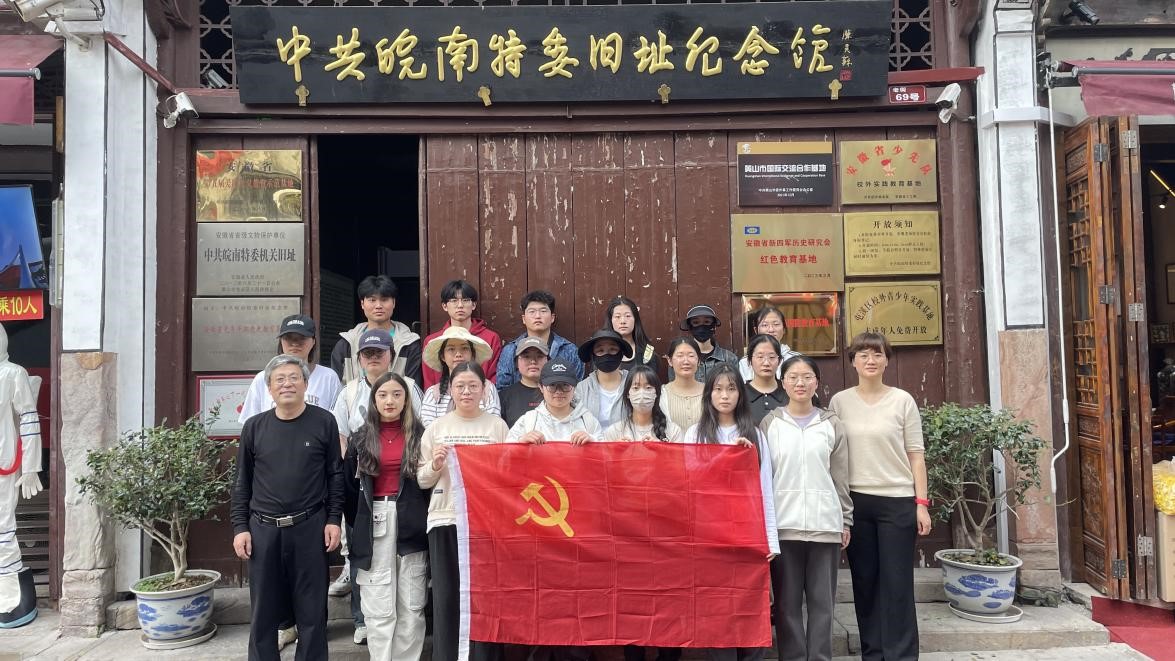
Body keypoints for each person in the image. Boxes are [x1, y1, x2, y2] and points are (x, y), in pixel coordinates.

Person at [231, 354, 344, 661]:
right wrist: (240, 527)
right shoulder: (254, 427)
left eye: (294, 377)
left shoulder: (324, 422)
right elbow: (242, 481)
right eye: (279, 379)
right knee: (263, 613)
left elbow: (335, 475)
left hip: (310, 527)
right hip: (263, 530)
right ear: (269, 388)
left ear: (306, 384)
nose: (287, 384)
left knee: (312, 612)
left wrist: (334, 519)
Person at [828, 332, 930, 661]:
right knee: (865, 582)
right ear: (853, 362)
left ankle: (901, 655)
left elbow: (916, 455)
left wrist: (921, 504)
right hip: (856, 502)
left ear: (887, 360)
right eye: (863, 355)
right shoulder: (839, 402)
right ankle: (872, 653)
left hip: (897, 501)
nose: (870, 360)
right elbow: (833, 455)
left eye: (877, 354)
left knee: (897, 584)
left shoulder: (902, 400)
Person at [327, 328, 423, 641]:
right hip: (364, 485)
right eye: (367, 354)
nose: (373, 358)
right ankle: (361, 621)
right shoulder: (349, 391)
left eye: (379, 353)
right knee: (364, 560)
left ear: (390, 356)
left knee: (407, 572)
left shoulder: (409, 386)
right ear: (359, 359)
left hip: (404, 492)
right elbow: (341, 436)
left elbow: (419, 431)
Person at [681, 364, 778, 661]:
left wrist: (770, 539)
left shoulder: (755, 435)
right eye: (718, 389)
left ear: (741, 394)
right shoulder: (695, 433)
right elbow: (689, 484)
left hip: (748, 533)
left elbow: (765, 489)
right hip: (709, 535)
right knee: (717, 609)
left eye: (732, 389)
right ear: (708, 394)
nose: (725, 396)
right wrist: (727, 458)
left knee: (750, 605)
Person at [416, 362, 510, 661]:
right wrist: (435, 465)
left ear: (485, 389)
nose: (466, 391)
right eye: (460, 386)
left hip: (486, 523)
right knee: (447, 596)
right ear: (451, 390)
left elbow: (509, 475)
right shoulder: (437, 428)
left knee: (485, 597)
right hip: (446, 519)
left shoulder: (497, 427)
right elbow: (421, 480)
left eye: (473, 386)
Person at [760, 356, 851, 661]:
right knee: (787, 605)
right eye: (793, 377)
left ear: (817, 383)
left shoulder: (831, 424)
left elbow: (840, 476)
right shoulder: (770, 423)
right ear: (783, 383)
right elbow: (763, 477)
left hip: (825, 524)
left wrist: (845, 519)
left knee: (822, 604)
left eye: (807, 377)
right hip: (783, 527)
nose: (800, 383)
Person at [343, 372, 430, 661]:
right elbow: (348, 489)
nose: (389, 400)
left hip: (411, 519)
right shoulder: (360, 438)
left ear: (406, 400)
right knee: (378, 603)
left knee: (411, 603)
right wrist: (359, 523)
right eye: (382, 395)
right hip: (374, 518)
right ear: (374, 400)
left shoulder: (420, 435)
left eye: (396, 394)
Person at [239, 314, 342, 424]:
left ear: (313, 341)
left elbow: (337, 423)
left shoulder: (328, 377)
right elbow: (250, 423)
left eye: (301, 338)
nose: (294, 343)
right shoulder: (262, 378)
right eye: (288, 338)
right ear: (281, 341)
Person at [332, 275, 423, 385]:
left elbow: (414, 387)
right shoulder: (346, 344)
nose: (378, 305)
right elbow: (335, 385)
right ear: (362, 304)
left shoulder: (409, 344)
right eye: (372, 300)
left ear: (393, 303)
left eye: (384, 300)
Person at [421, 279, 504, 388]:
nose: (460, 305)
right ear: (444, 306)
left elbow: (493, 378)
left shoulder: (490, 338)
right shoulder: (433, 340)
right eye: (454, 300)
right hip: (441, 396)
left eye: (465, 300)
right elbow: (429, 381)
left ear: (473, 305)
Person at [496, 290, 582, 390]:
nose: (537, 316)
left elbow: (577, 389)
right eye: (532, 311)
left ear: (552, 318)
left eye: (543, 311)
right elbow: (503, 390)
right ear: (524, 319)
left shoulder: (569, 350)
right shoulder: (511, 350)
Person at [420, 326, 501, 426]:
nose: (458, 354)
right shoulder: (433, 394)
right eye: (451, 349)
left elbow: (493, 426)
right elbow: (430, 430)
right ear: (442, 356)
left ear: (472, 354)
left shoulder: (487, 389)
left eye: (464, 348)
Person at [507, 358, 601, 445]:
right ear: (541, 387)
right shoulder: (528, 421)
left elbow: (605, 452)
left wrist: (593, 441)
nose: (559, 391)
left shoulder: (588, 421)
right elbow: (507, 452)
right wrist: (520, 442)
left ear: (574, 387)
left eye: (565, 385)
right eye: (552, 385)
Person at [601, 365, 682, 444]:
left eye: (648, 388)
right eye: (636, 388)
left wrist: (661, 449)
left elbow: (678, 453)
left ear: (657, 393)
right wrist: (614, 450)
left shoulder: (673, 431)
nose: (642, 393)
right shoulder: (613, 432)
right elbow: (602, 453)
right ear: (628, 394)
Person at [574, 328, 632, 430]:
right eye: (600, 351)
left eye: (613, 350)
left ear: (621, 353)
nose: (606, 355)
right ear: (593, 355)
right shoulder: (582, 389)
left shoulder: (633, 384)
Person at [669, 305, 737, 383]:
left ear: (714, 326)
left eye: (707, 322)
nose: (701, 327)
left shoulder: (730, 358)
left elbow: (735, 386)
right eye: (696, 322)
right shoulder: (678, 359)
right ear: (689, 327)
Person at [738, 306, 802, 382]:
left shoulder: (796, 359)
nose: (771, 330)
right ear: (756, 330)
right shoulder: (745, 362)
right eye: (765, 325)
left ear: (784, 329)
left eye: (776, 324)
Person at [499, 336, 549, 427]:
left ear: (548, 361)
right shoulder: (504, 397)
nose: (533, 361)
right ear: (516, 363)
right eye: (526, 356)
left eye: (539, 356)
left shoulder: (557, 393)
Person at [660, 338, 705, 431]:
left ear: (699, 361)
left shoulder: (709, 391)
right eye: (680, 356)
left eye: (691, 356)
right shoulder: (662, 393)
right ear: (670, 361)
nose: (686, 361)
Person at [743, 334, 788, 427]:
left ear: (779, 361)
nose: (766, 363)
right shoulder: (740, 394)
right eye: (760, 357)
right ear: (749, 361)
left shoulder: (789, 391)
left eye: (772, 357)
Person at [605, 296, 658, 372]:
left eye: (628, 316)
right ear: (611, 321)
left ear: (635, 319)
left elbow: (651, 378)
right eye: (617, 316)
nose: (623, 321)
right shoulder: (601, 352)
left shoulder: (647, 352)